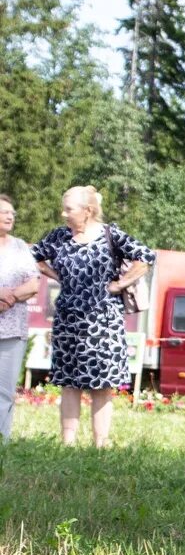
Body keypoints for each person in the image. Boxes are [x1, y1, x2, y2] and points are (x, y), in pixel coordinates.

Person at [31, 186, 155, 447]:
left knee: (103, 383)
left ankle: (101, 442)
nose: (63, 214)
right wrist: (57, 276)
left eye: (69, 209)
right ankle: (68, 442)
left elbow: (145, 257)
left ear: (87, 211)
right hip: (68, 319)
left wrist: (120, 285)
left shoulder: (110, 234)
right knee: (69, 382)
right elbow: (34, 257)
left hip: (104, 321)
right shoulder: (59, 237)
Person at [0, 196, 40, 441]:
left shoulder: (19, 247)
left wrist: (9, 297)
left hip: (12, 331)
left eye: (12, 212)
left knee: (4, 391)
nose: (10, 216)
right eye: (4, 211)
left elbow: (34, 283)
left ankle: (2, 442)